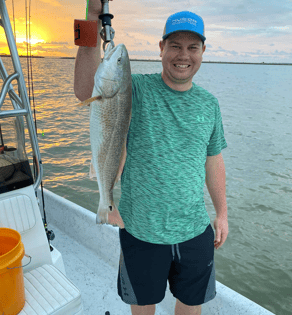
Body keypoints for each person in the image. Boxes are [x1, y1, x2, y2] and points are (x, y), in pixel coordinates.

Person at [74, 3, 229, 315]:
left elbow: (214, 161)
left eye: (192, 47)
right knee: (143, 306)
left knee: (191, 305)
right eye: (174, 46)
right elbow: (84, 90)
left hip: (195, 229)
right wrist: (91, 19)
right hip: (139, 229)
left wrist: (222, 213)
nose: (183, 55)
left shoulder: (210, 104)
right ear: (161, 48)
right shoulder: (137, 88)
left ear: (202, 51)